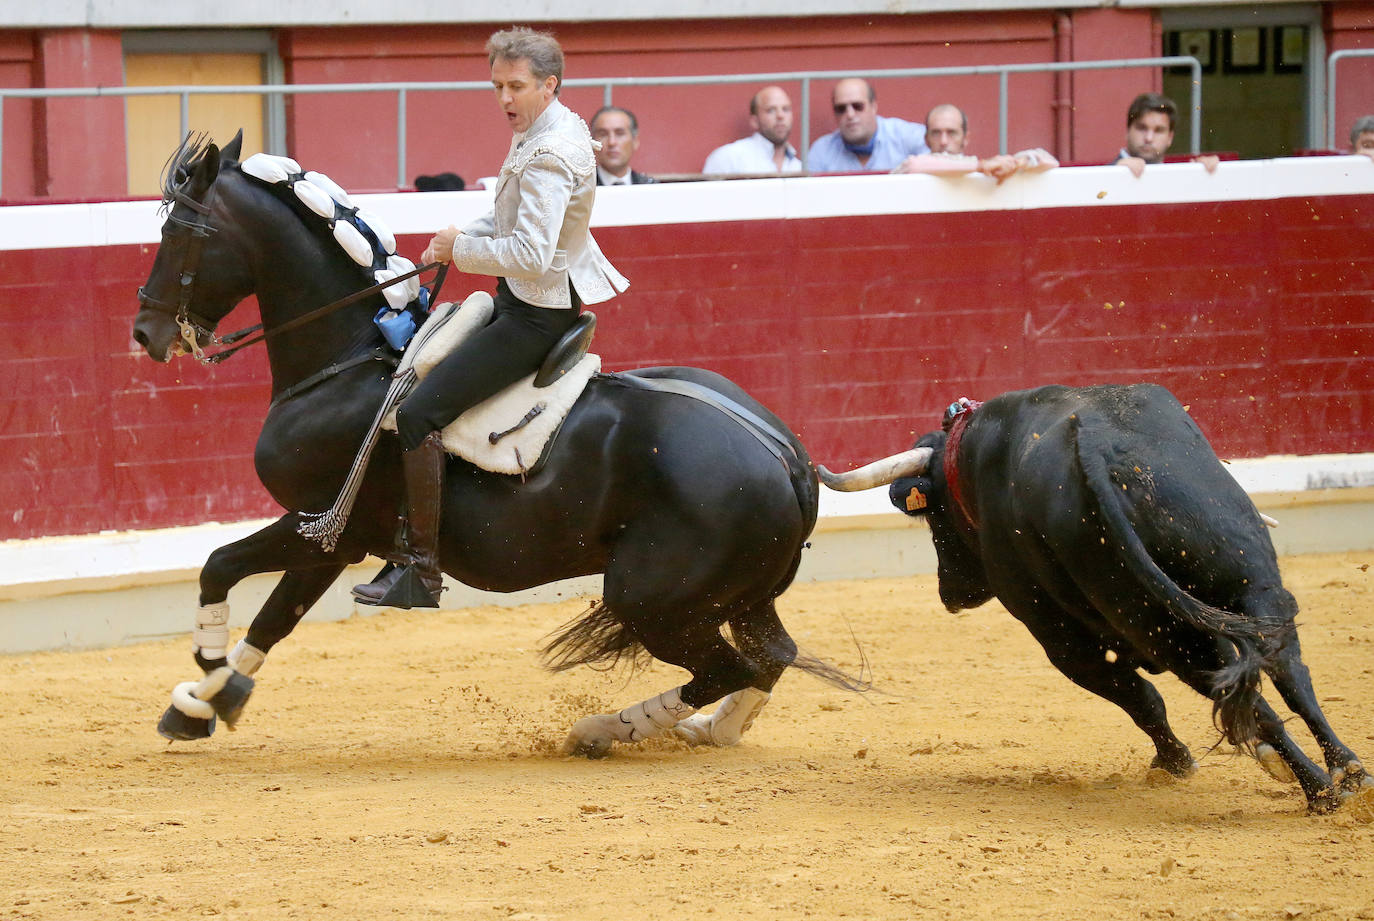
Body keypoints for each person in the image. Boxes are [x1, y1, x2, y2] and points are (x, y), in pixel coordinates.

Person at [353, 27, 629, 608]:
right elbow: (507, 215)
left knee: (420, 410)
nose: (505, 98)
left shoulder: (551, 153)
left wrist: (462, 250)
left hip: (533, 318)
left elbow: (529, 252)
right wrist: (458, 237)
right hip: (524, 303)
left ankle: (421, 571)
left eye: (517, 86)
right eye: (498, 86)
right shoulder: (549, 127)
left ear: (549, 84)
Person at [891, 103, 1056, 182]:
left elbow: (1050, 161)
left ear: (966, 139)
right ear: (926, 140)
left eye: (952, 133)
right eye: (936, 133)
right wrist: (981, 166)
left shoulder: (980, 166)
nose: (943, 141)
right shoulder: (915, 165)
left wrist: (1018, 163)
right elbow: (915, 165)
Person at [807, 77, 928, 173]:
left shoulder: (904, 136)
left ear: (874, 107)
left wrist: (921, 165)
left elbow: (943, 155)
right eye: (841, 108)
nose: (850, 114)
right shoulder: (822, 150)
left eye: (858, 106)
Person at [701, 85, 803, 175]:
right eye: (770, 110)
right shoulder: (729, 157)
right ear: (754, 120)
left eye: (786, 109)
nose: (780, 116)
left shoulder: (798, 166)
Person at [1115, 93, 1218, 177]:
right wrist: (1114, 174)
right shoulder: (1105, 173)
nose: (1149, 138)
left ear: (1170, 137)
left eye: (1158, 130)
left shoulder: (1182, 176)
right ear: (1128, 131)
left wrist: (1208, 174)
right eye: (1142, 128)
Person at [590, 106, 655, 185]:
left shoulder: (651, 189)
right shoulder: (579, 192)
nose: (612, 142)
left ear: (635, 141)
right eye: (603, 134)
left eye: (619, 134)